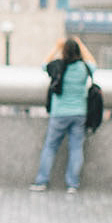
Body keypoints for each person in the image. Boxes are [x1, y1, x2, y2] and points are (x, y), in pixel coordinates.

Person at [30, 35, 97, 194]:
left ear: (64, 51)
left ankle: (42, 181)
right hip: (79, 113)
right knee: (76, 148)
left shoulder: (58, 66)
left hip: (59, 113)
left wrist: (57, 47)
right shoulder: (83, 68)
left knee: (50, 147)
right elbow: (93, 63)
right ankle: (72, 184)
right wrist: (82, 45)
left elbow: (44, 64)